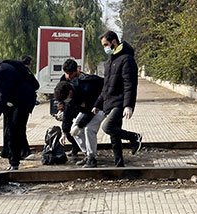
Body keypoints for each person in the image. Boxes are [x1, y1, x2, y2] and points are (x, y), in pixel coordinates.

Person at [92, 31, 142, 167]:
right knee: (115, 137)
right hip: (109, 102)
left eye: (106, 44)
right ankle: (119, 164)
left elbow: (130, 84)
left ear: (114, 42)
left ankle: (134, 137)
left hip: (119, 102)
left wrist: (128, 105)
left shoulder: (127, 59)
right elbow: (106, 86)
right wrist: (98, 104)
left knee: (107, 127)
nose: (105, 48)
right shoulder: (110, 62)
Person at [54, 71, 105, 168]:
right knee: (74, 130)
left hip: (100, 106)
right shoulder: (69, 94)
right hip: (87, 109)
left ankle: (92, 159)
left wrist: (80, 125)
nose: (67, 101)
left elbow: (91, 112)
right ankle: (87, 153)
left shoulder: (86, 89)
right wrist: (64, 131)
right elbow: (67, 114)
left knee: (88, 129)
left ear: (70, 92)